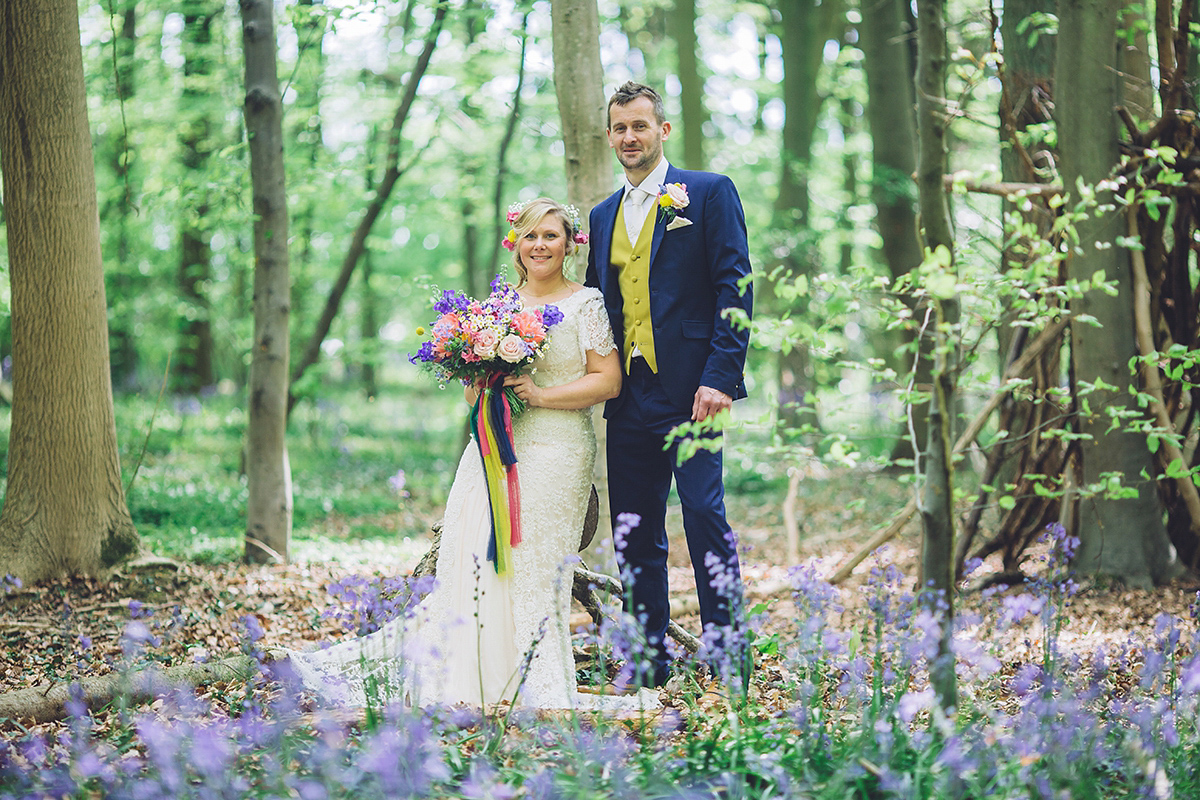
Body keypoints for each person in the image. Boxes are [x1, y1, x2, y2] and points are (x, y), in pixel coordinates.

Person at [282, 199, 657, 710]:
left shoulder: (586, 303)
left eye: (551, 235)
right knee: (472, 558)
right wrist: (481, 373)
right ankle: (470, 675)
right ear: (516, 245)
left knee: (532, 566)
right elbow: (470, 394)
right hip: (490, 447)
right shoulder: (497, 307)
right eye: (531, 236)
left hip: (558, 447)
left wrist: (540, 394)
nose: (540, 245)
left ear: (570, 243)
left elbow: (609, 380)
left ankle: (529, 682)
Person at [584, 82, 754, 690]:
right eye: (620, 128)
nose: (630, 137)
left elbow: (735, 286)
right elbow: (593, 309)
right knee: (635, 531)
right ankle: (649, 662)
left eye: (640, 126)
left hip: (693, 393)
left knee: (706, 517)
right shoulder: (602, 216)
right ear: (609, 136)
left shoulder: (706, 193)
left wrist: (720, 379)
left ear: (663, 130)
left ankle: (730, 656)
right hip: (628, 396)